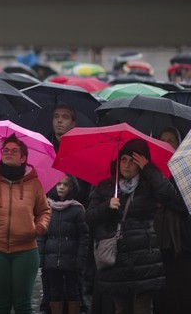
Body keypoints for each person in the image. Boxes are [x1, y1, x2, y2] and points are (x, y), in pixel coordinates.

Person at [84, 138, 175, 314]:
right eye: (123, 160)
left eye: (132, 161)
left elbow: (168, 194)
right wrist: (106, 207)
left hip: (144, 257)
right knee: (122, 309)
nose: (126, 165)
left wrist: (149, 168)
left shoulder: (148, 186)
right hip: (116, 258)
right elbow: (88, 216)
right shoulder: (106, 186)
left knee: (143, 309)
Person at [0, 134, 51, 314]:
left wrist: (38, 228)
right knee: (1, 304)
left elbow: (44, 211)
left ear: (23, 157)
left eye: (14, 151)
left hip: (26, 251)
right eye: (5, 150)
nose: (8, 153)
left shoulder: (34, 184)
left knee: (23, 304)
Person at [38, 175, 89, 314]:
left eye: (65, 185)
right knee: (54, 291)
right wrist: (41, 258)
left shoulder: (78, 209)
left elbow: (83, 237)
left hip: (71, 259)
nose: (61, 187)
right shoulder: (47, 208)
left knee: (73, 291)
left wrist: (80, 259)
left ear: (71, 188)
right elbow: (42, 235)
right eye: (58, 184)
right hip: (52, 260)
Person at [153, 127, 191, 313]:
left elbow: (183, 203)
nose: (167, 143)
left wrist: (164, 197)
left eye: (171, 140)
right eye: (163, 139)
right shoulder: (153, 170)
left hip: (182, 242)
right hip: (158, 241)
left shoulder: (185, 170)